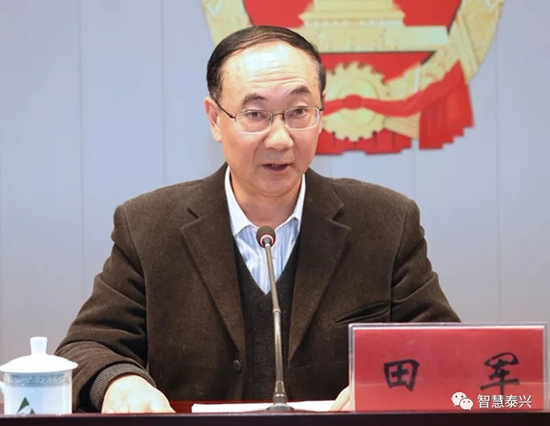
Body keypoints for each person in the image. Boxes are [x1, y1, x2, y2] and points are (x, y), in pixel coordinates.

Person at [56, 25, 459, 413]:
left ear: (322, 112)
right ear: (215, 119)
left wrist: (386, 385)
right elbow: (86, 348)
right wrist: (120, 381)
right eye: (255, 114)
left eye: (299, 112)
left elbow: (449, 350)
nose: (280, 139)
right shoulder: (148, 227)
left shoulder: (385, 222)